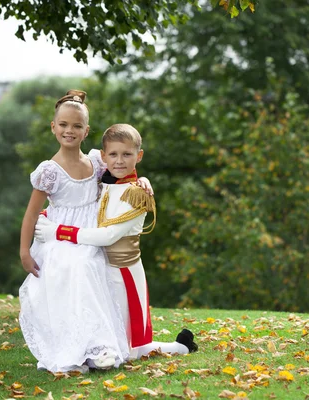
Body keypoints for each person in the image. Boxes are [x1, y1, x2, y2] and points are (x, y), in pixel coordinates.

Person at [34, 123, 198, 360]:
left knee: (128, 348)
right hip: (99, 267)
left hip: (123, 272)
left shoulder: (137, 193)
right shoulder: (104, 183)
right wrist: (51, 214)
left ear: (138, 156)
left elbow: (107, 235)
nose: (119, 160)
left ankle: (181, 346)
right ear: (103, 157)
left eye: (126, 154)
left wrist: (58, 231)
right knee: (103, 328)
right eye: (113, 154)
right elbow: (81, 205)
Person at [19, 91, 152, 373]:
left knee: (94, 272)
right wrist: (24, 251)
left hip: (90, 231)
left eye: (77, 126)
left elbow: (125, 168)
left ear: (86, 131)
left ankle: (99, 346)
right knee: (74, 270)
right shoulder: (49, 171)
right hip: (59, 237)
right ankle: (72, 352)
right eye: (64, 125)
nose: (70, 130)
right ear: (53, 127)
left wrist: (143, 179)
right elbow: (31, 213)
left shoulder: (96, 161)